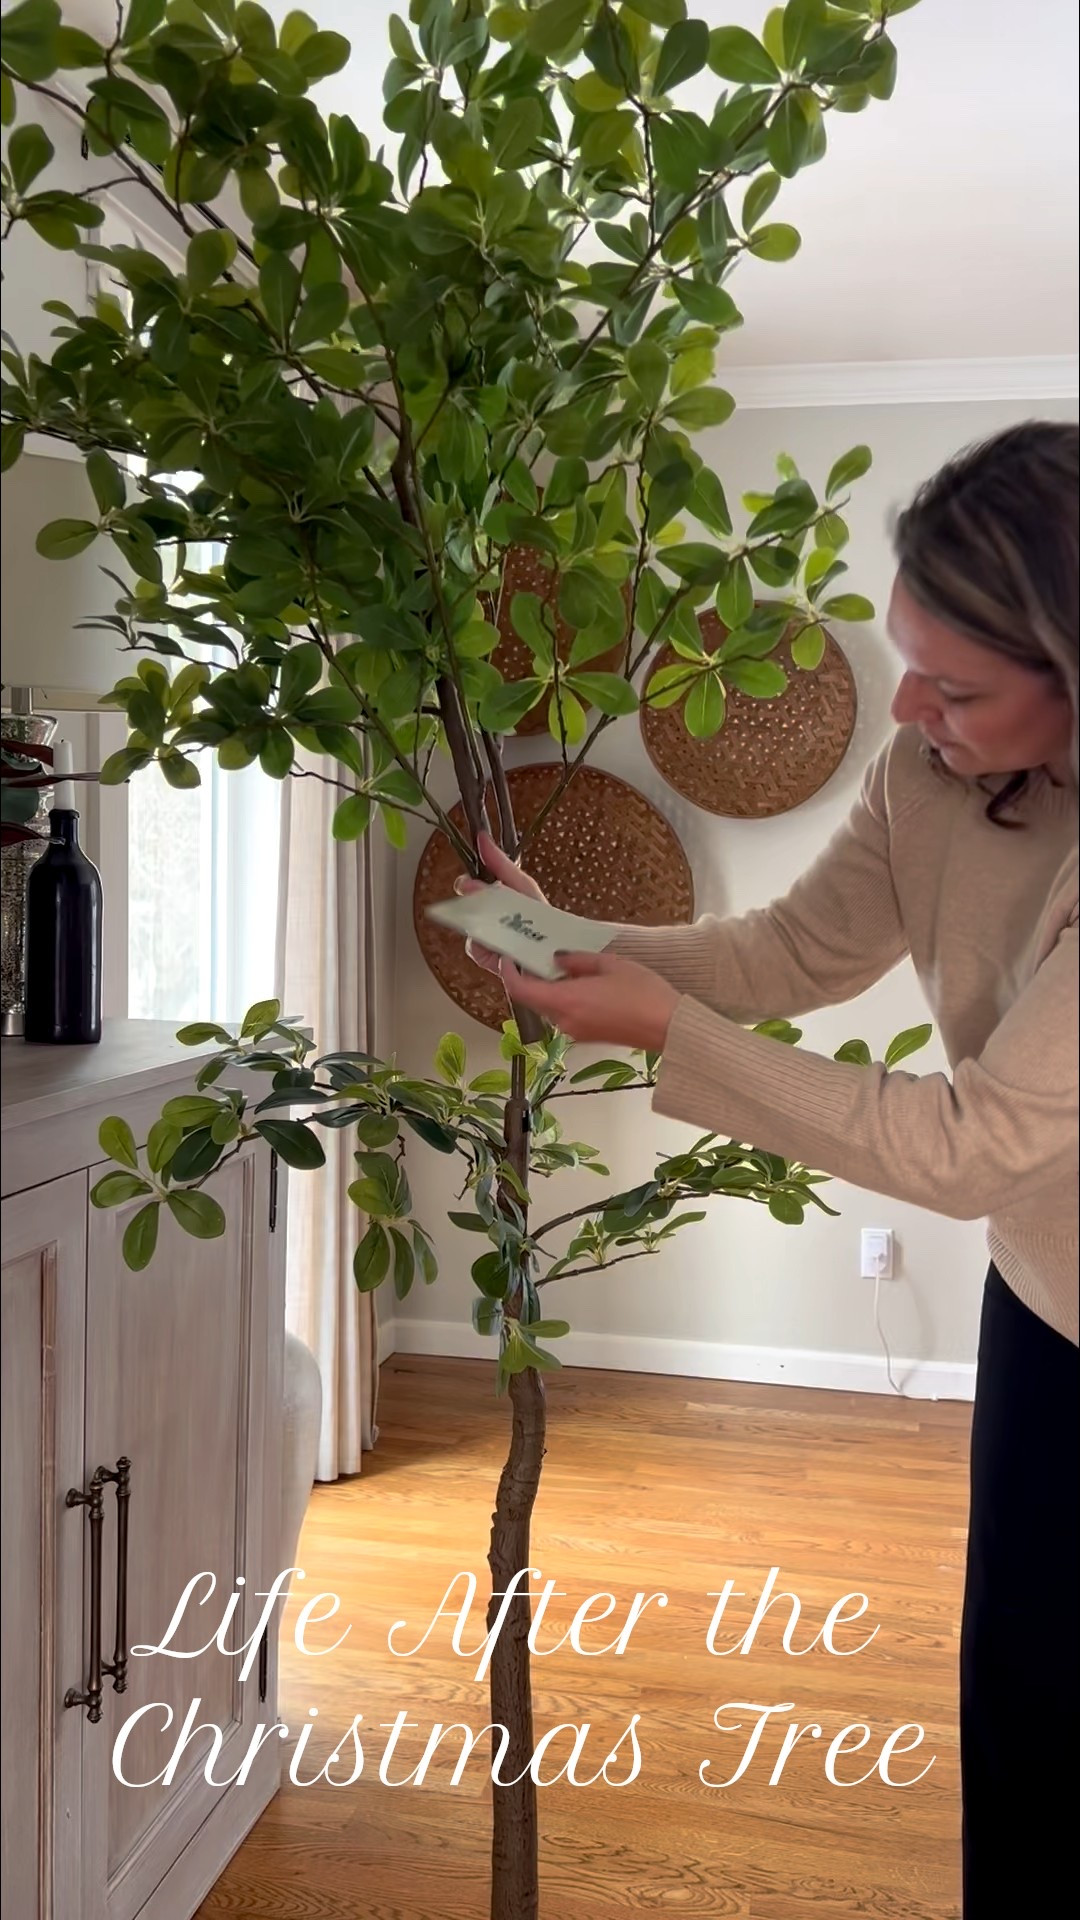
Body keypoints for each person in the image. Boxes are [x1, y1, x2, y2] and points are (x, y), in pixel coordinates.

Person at [456, 419, 1078, 1916]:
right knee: (1024, 1709)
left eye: (960, 685)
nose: (909, 704)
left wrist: (669, 1031)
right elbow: (786, 952)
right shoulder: (924, 773)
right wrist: (564, 942)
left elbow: (973, 1142)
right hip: (1050, 1303)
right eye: (906, 655)